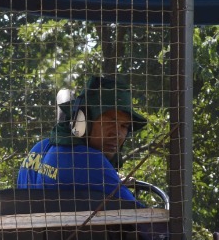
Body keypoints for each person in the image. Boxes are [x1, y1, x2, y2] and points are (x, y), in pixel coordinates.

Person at [17, 74, 148, 203]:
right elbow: (142, 218)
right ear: (82, 121)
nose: (118, 134)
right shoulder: (89, 161)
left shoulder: (37, 150)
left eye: (124, 126)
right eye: (110, 123)